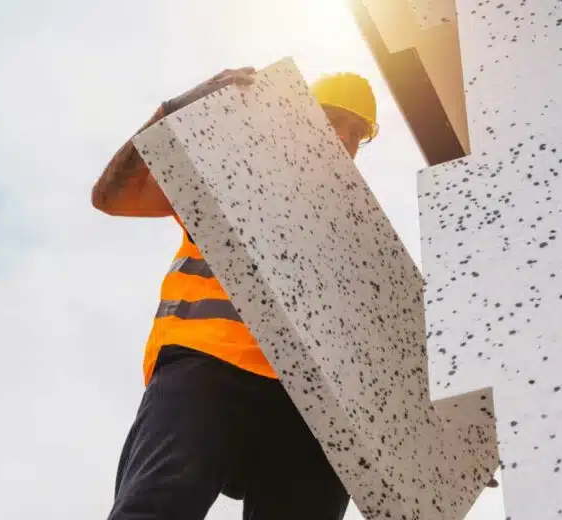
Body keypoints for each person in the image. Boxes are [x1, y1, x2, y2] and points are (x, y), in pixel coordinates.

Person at [92, 66, 379, 520]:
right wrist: (178, 106)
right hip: (209, 365)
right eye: (331, 121)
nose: (343, 140)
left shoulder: (358, 240)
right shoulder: (232, 179)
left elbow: (387, 346)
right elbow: (113, 196)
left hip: (311, 402)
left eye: (356, 133)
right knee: (156, 510)